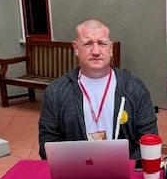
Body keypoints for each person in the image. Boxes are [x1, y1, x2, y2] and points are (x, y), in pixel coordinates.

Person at [38, 18, 158, 159]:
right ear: (76, 48)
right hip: (76, 176)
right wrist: (80, 168)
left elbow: (149, 139)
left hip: (124, 176)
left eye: (101, 43)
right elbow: (47, 146)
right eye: (88, 44)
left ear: (111, 48)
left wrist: (124, 168)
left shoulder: (134, 89)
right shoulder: (56, 92)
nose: (96, 51)